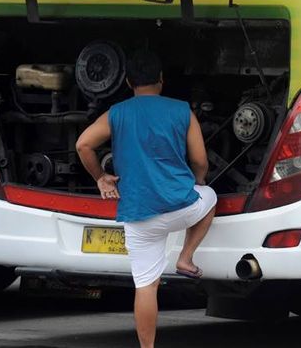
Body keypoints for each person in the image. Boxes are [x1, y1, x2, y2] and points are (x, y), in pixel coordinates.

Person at [76, 49, 217, 348]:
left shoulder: (117, 113)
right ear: (161, 80)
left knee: (146, 286)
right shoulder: (182, 110)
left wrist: (100, 178)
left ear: (128, 82)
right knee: (210, 197)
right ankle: (185, 257)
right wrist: (198, 181)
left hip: (138, 215)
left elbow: (83, 144)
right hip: (180, 207)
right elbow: (201, 162)